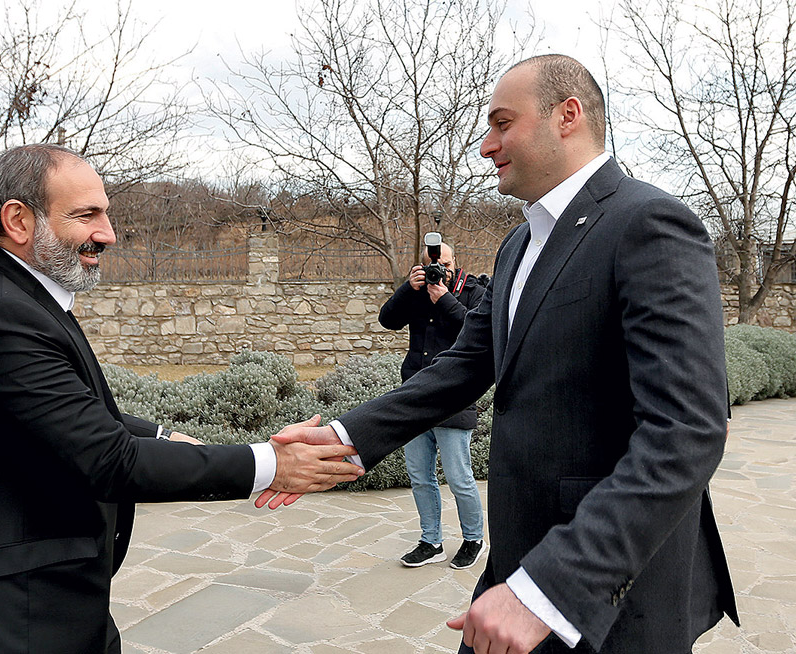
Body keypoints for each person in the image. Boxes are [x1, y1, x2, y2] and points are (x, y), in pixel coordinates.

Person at [265, 54, 738, 653]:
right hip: (516, 559)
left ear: (567, 116)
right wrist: (346, 437)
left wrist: (551, 589)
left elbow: (687, 432)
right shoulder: (518, 243)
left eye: (502, 123)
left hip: (603, 591)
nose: (486, 145)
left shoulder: (650, 224)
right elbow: (463, 366)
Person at [0, 144, 363, 654]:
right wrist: (273, 465)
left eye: (104, 213)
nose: (107, 233)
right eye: (86, 215)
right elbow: (108, 460)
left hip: (34, 599)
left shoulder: (10, 296)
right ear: (18, 220)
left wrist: (163, 435)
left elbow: (56, 410)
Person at [378, 242, 487, 569]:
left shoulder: (473, 291)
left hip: (455, 396)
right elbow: (387, 320)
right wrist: (406, 288)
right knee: (420, 476)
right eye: (432, 266)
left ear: (455, 262)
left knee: (458, 477)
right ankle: (431, 541)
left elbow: (480, 330)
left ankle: (474, 539)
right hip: (416, 396)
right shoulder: (416, 292)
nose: (440, 270)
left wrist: (446, 300)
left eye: (445, 264)